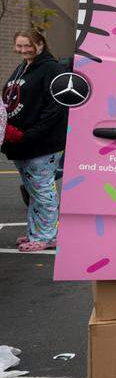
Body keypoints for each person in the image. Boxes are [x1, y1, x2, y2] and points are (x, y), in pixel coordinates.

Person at [3, 29, 67, 252]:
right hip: (22, 144)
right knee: (34, 192)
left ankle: (47, 236)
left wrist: (31, 134)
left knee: (43, 191)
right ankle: (36, 231)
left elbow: (56, 108)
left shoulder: (51, 68)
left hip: (41, 144)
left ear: (40, 44)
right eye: (19, 46)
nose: (22, 50)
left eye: (27, 46)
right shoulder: (23, 67)